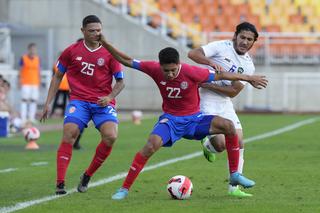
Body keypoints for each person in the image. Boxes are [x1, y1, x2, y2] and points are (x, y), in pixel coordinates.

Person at [98, 35, 267, 200]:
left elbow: (222, 76)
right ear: (160, 66)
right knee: (150, 146)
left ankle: (234, 175)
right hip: (171, 121)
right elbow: (126, 60)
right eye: (166, 71)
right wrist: (105, 43)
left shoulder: (192, 71)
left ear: (179, 64)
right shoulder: (154, 69)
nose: (170, 74)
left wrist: (248, 78)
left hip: (195, 120)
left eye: (173, 70)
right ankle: (124, 189)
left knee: (229, 127)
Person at [40, 15, 125, 195]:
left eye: (99, 30)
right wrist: (47, 103)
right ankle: (60, 183)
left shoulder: (110, 53)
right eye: (92, 30)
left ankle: (87, 175)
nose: (96, 34)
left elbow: (120, 82)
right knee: (69, 132)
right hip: (79, 101)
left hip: (102, 103)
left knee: (111, 136)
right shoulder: (71, 51)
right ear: (83, 31)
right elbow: (57, 76)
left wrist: (110, 97)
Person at [188, 21, 260, 197]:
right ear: (235, 36)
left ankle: (234, 187)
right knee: (220, 145)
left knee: (239, 141)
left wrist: (210, 84)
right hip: (205, 99)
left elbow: (233, 92)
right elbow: (193, 54)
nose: (244, 42)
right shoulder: (221, 47)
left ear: (253, 43)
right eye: (242, 37)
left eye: (249, 39)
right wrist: (211, 62)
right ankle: (208, 144)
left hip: (224, 101)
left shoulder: (249, 65)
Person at [19, 43, 41, 125]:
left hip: (35, 82)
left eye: (34, 49)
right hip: (26, 82)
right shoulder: (23, 58)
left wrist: (39, 81)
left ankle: (31, 118)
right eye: (31, 49)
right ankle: (23, 118)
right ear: (28, 49)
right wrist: (19, 80)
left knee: (33, 100)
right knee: (24, 100)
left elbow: (39, 70)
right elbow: (20, 69)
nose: (33, 51)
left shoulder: (38, 58)